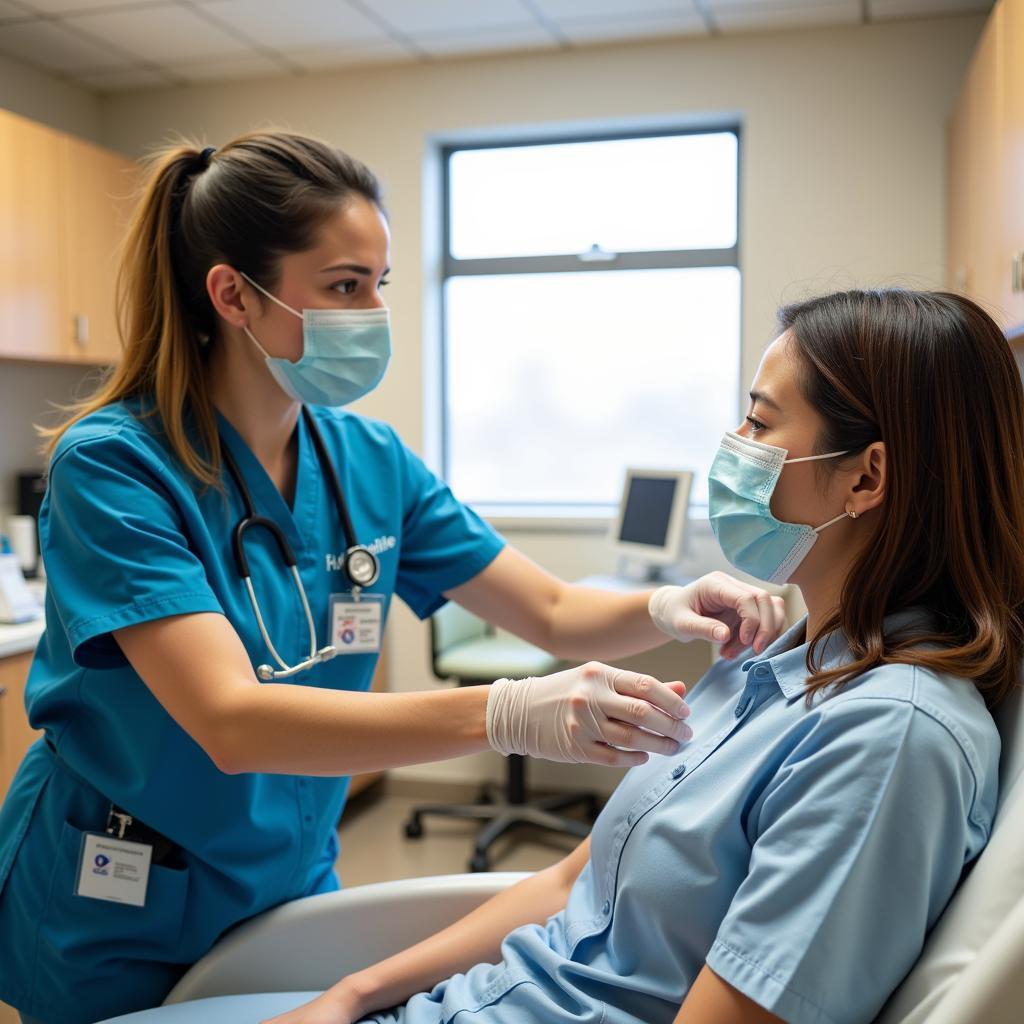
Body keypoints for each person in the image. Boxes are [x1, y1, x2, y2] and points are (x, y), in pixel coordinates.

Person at [0, 131, 786, 1024]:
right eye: (344, 286)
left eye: (379, 283)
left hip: (287, 874)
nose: (373, 311)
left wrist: (668, 605)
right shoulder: (115, 468)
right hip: (125, 889)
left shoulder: (367, 460)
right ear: (233, 296)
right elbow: (231, 721)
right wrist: (506, 712)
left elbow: (556, 611)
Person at [267, 288, 1021, 1024]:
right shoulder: (768, 661)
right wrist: (352, 995)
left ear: (866, 477)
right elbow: (576, 879)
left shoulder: (888, 738)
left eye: (758, 422)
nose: (735, 449)